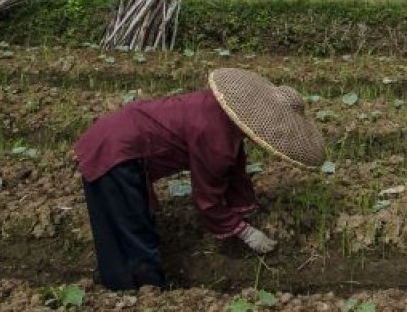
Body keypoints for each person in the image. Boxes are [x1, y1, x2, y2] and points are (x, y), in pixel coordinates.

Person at [73, 68, 325, 290]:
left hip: (118, 134)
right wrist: (245, 231)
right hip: (115, 153)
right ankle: (141, 292)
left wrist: (246, 209)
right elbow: (207, 198)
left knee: (128, 221)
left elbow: (235, 169)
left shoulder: (219, 111)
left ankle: (134, 283)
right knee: (129, 228)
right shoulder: (215, 139)